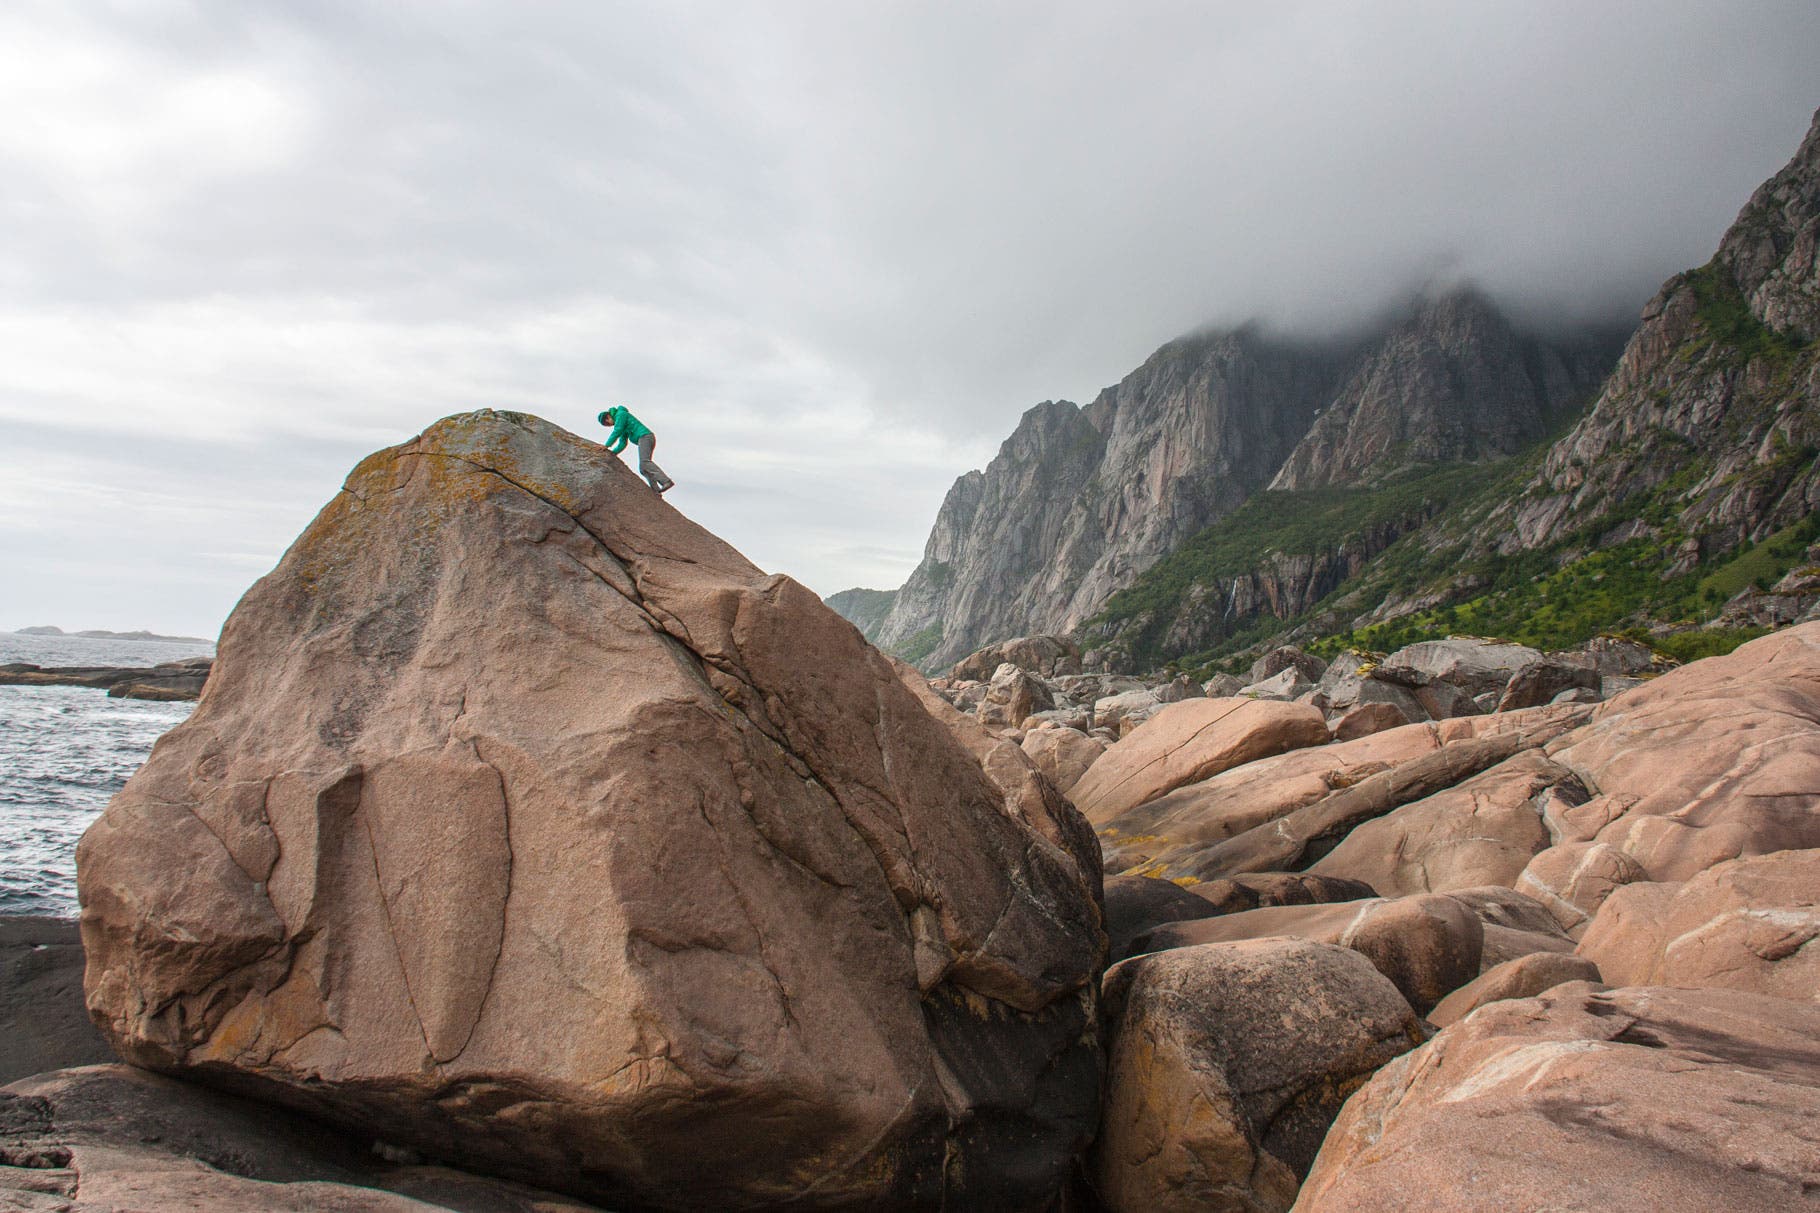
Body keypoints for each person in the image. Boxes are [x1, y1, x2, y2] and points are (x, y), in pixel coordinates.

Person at [598, 406, 675, 494]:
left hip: (645, 437)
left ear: (608, 417)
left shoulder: (620, 415)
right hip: (644, 439)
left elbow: (617, 431)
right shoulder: (621, 424)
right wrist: (613, 453)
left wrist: (606, 445)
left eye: (607, 423)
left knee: (645, 462)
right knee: (643, 468)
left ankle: (666, 481)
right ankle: (656, 491)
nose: (610, 425)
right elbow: (622, 443)